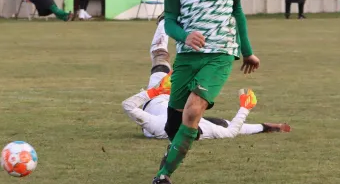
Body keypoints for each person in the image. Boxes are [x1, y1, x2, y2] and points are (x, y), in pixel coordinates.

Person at [152, 0, 260, 184]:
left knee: (193, 110)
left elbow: (237, 13)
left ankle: (163, 174)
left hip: (220, 54)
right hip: (188, 56)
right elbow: (170, 21)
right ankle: (178, 145)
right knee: (173, 125)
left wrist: (247, 52)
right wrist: (184, 35)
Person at [122, 18, 290, 141]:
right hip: (176, 99)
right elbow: (231, 132)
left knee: (160, 57)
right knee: (223, 125)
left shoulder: (159, 127)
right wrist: (245, 108)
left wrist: (156, 91)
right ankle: (265, 127)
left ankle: (164, 21)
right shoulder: (204, 129)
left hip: (156, 97)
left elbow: (128, 106)